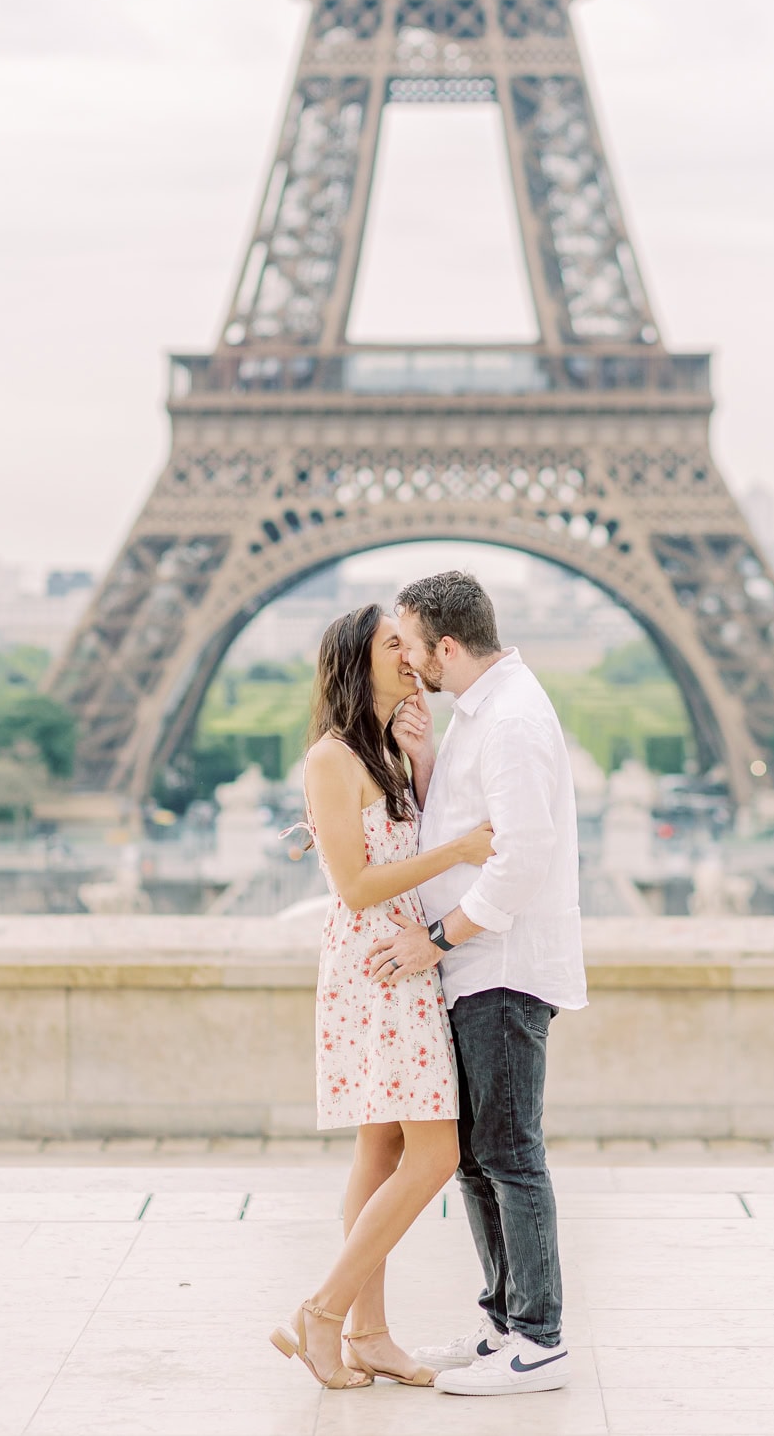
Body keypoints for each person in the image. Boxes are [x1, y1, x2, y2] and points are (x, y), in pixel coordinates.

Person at [369, 570, 587, 1396]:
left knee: (507, 1152)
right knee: (474, 1155)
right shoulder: (481, 713)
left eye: (412, 643)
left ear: (446, 646)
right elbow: (464, 830)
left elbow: (520, 855)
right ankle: (507, 1323)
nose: (408, 659)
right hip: (474, 967)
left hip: (497, 966)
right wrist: (424, 759)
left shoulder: (515, 718)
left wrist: (437, 938)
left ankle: (540, 1337)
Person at [269, 603, 494, 1391]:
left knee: (382, 1147)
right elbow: (356, 884)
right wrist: (460, 851)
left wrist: (421, 753)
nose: (411, 652)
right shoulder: (332, 758)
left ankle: (368, 1332)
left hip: (400, 963)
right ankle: (324, 1312)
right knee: (436, 1150)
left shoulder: (382, 750)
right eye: (393, 643)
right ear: (357, 662)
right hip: (380, 969)